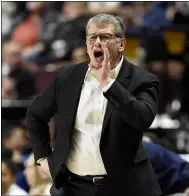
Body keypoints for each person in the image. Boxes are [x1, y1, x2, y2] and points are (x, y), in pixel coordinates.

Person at [26, 14, 162, 196]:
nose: (97, 42)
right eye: (92, 38)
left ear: (121, 44)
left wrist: (109, 85)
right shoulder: (67, 76)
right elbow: (35, 114)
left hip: (125, 187)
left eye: (105, 37)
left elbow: (142, 119)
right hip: (74, 186)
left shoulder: (142, 80)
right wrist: (43, 157)